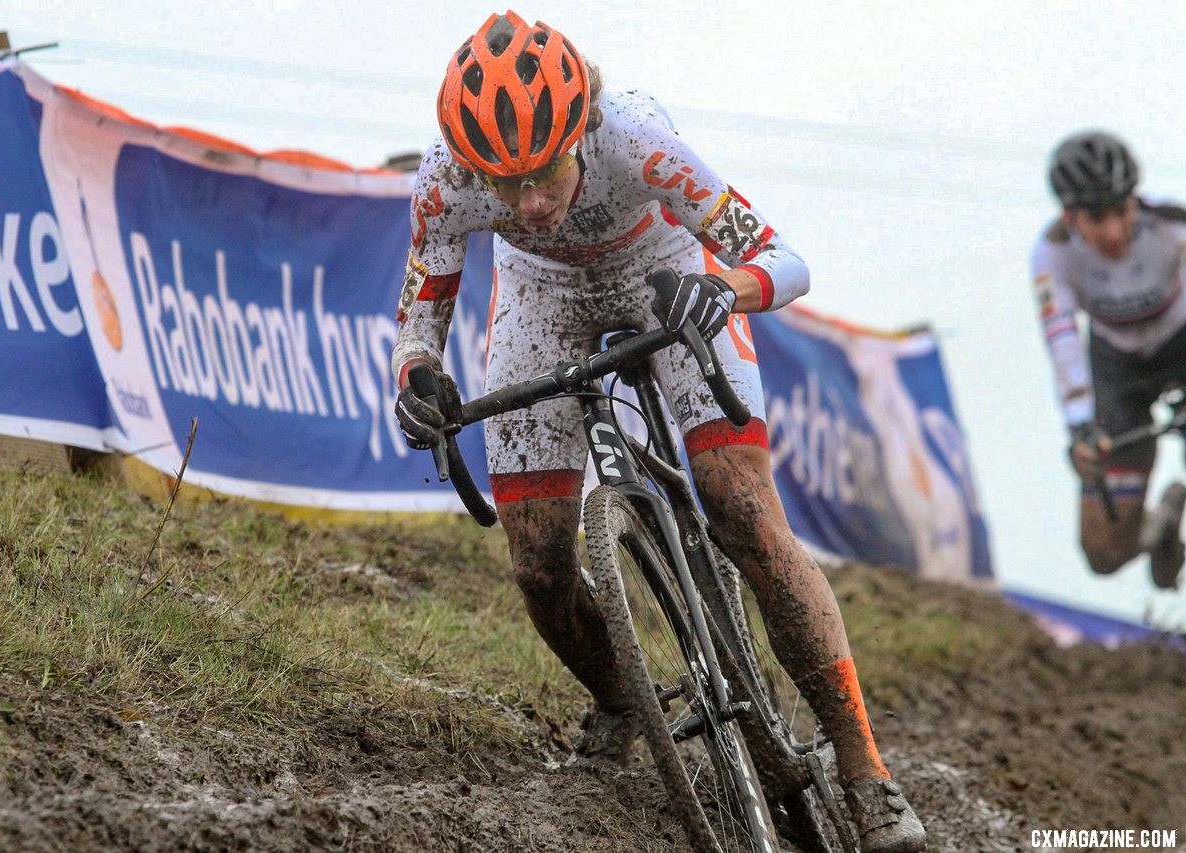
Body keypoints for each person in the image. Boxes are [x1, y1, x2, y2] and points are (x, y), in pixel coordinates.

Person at [390, 11, 925, 851]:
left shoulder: (634, 134)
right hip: (540, 301)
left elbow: (784, 260)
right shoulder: (443, 179)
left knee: (742, 509)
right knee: (537, 567)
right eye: (506, 184)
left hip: (665, 270)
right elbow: (422, 320)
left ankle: (866, 773)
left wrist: (728, 291)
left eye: (546, 171)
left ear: (582, 128)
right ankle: (619, 696)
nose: (530, 202)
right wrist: (417, 377)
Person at [1032, 130, 1186, 590]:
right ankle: (1160, 525)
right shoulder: (1052, 252)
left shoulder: (1172, 225)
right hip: (1117, 367)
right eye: (1097, 218)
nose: (1114, 231)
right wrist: (1081, 427)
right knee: (1104, 552)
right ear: (1070, 214)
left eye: (1122, 210)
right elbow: (1061, 337)